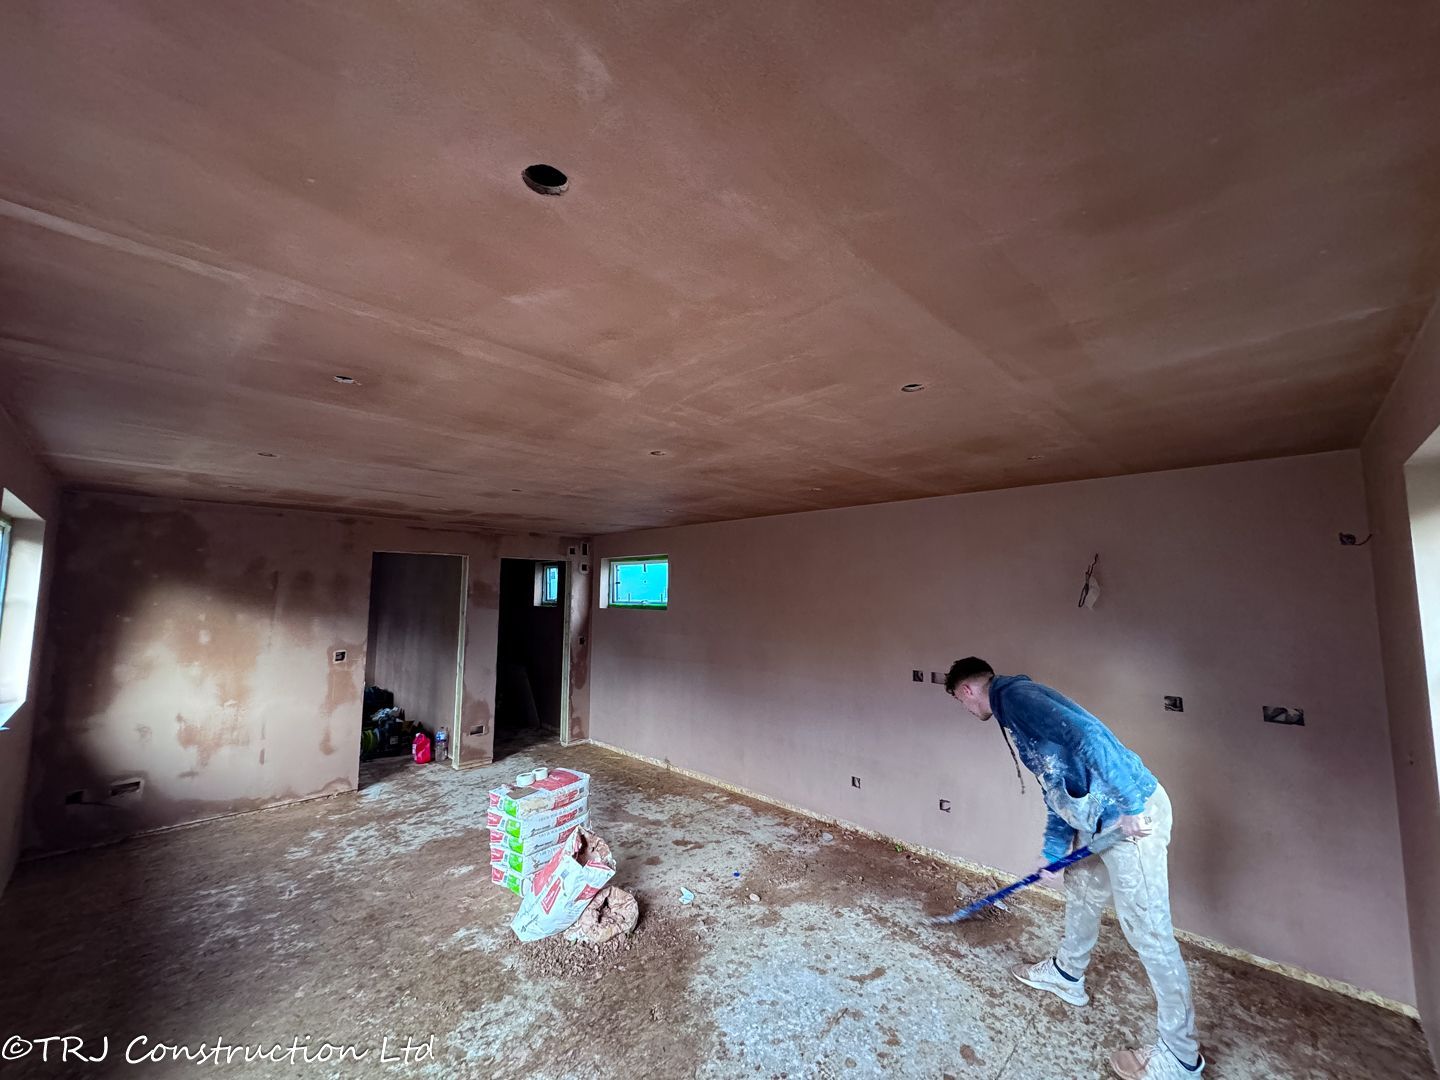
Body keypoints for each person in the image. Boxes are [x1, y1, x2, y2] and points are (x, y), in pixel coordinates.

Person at [944, 656, 1204, 1079]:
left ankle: (1180, 1057)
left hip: (1130, 820)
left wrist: (1131, 805)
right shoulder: (1015, 711)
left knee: (1148, 931)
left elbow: (1088, 735)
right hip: (1102, 819)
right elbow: (1056, 785)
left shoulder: (1018, 698)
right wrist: (1052, 851)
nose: (966, 708)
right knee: (1081, 888)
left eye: (961, 701)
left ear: (968, 690)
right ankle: (1067, 974)